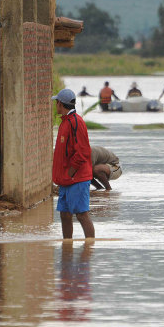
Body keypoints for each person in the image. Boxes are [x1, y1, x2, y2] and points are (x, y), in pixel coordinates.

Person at [52, 88, 95, 239]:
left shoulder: (76, 122)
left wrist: (70, 173)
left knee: (82, 214)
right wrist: (63, 177)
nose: (55, 106)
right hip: (66, 180)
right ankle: (67, 247)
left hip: (77, 178)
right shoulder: (65, 122)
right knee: (64, 214)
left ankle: (89, 248)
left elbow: (82, 152)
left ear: (60, 104)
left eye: (56, 103)